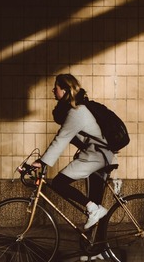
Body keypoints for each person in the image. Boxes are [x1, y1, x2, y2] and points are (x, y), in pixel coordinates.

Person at [31, 73, 114, 229]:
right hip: (98, 155)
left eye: (55, 87)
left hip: (96, 156)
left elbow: (61, 139)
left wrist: (41, 162)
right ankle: (95, 248)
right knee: (95, 203)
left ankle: (93, 210)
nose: (52, 90)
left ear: (64, 90)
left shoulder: (77, 112)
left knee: (58, 183)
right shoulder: (76, 109)